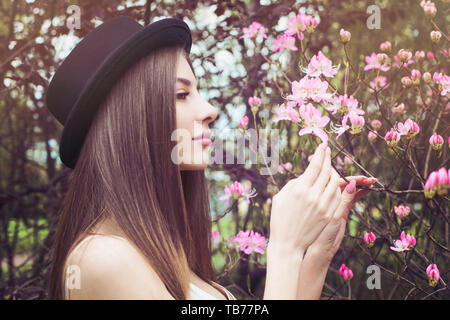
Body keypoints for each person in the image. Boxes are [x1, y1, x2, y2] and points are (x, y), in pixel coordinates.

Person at [45, 16, 375, 300]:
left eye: (198, 92)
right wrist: (284, 249)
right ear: (130, 119)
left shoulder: (163, 254)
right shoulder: (103, 258)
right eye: (181, 94)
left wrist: (316, 252)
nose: (209, 110)